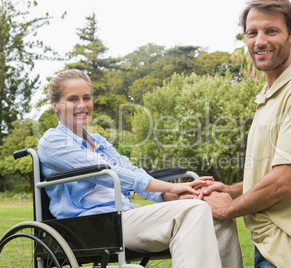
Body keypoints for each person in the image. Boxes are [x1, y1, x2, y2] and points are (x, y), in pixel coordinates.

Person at [37, 69, 243, 267]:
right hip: (93, 223)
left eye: (86, 97)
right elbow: (109, 174)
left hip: (125, 214)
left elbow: (130, 171)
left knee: (216, 214)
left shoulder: (98, 141)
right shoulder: (52, 142)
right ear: (56, 105)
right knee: (196, 209)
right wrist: (171, 187)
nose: (82, 105)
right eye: (73, 99)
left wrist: (169, 195)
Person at [199, 0, 291, 267]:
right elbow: (272, 173)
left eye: (271, 31)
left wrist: (229, 208)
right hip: (270, 247)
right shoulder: (269, 96)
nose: (259, 41)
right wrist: (231, 190)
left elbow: (284, 181)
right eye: (252, 33)